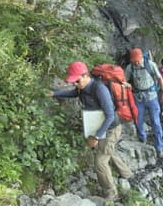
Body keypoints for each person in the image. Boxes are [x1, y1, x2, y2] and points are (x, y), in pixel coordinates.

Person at [50, 61, 133, 201]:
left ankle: (111, 193)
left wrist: (96, 136)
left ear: (85, 76)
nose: (75, 84)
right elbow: (73, 93)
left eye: (76, 81)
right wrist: (55, 93)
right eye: (73, 82)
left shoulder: (99, 89)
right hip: (99, 126)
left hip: (111, 127)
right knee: (107, 150)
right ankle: (127, 174)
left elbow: (110, 115)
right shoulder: (81, 88)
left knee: (100, 161)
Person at [123, 48, 163, 158]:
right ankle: (143, 139)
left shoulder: (150, 65)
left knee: (155, 122)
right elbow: (124, 81)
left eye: (138, 60)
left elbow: (159, 78)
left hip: (152, 97)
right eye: (134, 61)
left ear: (142, 57)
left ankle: (159, 147)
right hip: (139, 98)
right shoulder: (130, 68)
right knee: (138, 120)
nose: (136, 62)